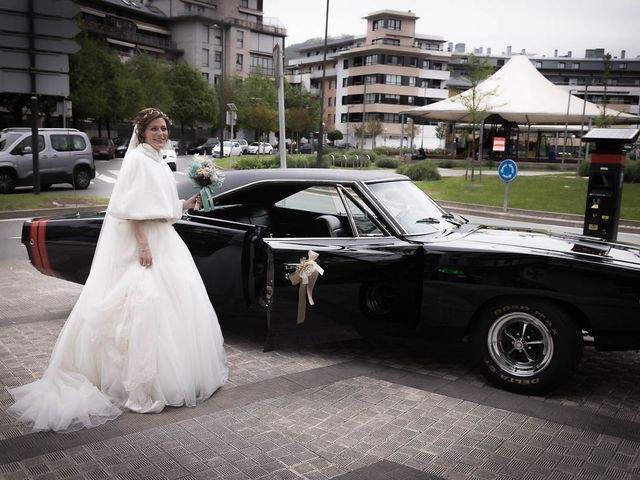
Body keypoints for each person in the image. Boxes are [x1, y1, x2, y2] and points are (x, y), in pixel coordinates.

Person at [7, 108, 228, 432]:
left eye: (164, 128)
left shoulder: (156, 159)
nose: (161, 133)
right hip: (145, 242)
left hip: (164, 237)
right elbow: (130, 209)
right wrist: (142, 244)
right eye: (154, 128)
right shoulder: (138, 160)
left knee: (170, 305)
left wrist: (188, 202)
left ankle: (172, 375)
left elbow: (160, 208)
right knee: (142, 303)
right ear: (141, 131)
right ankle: (137, 381)